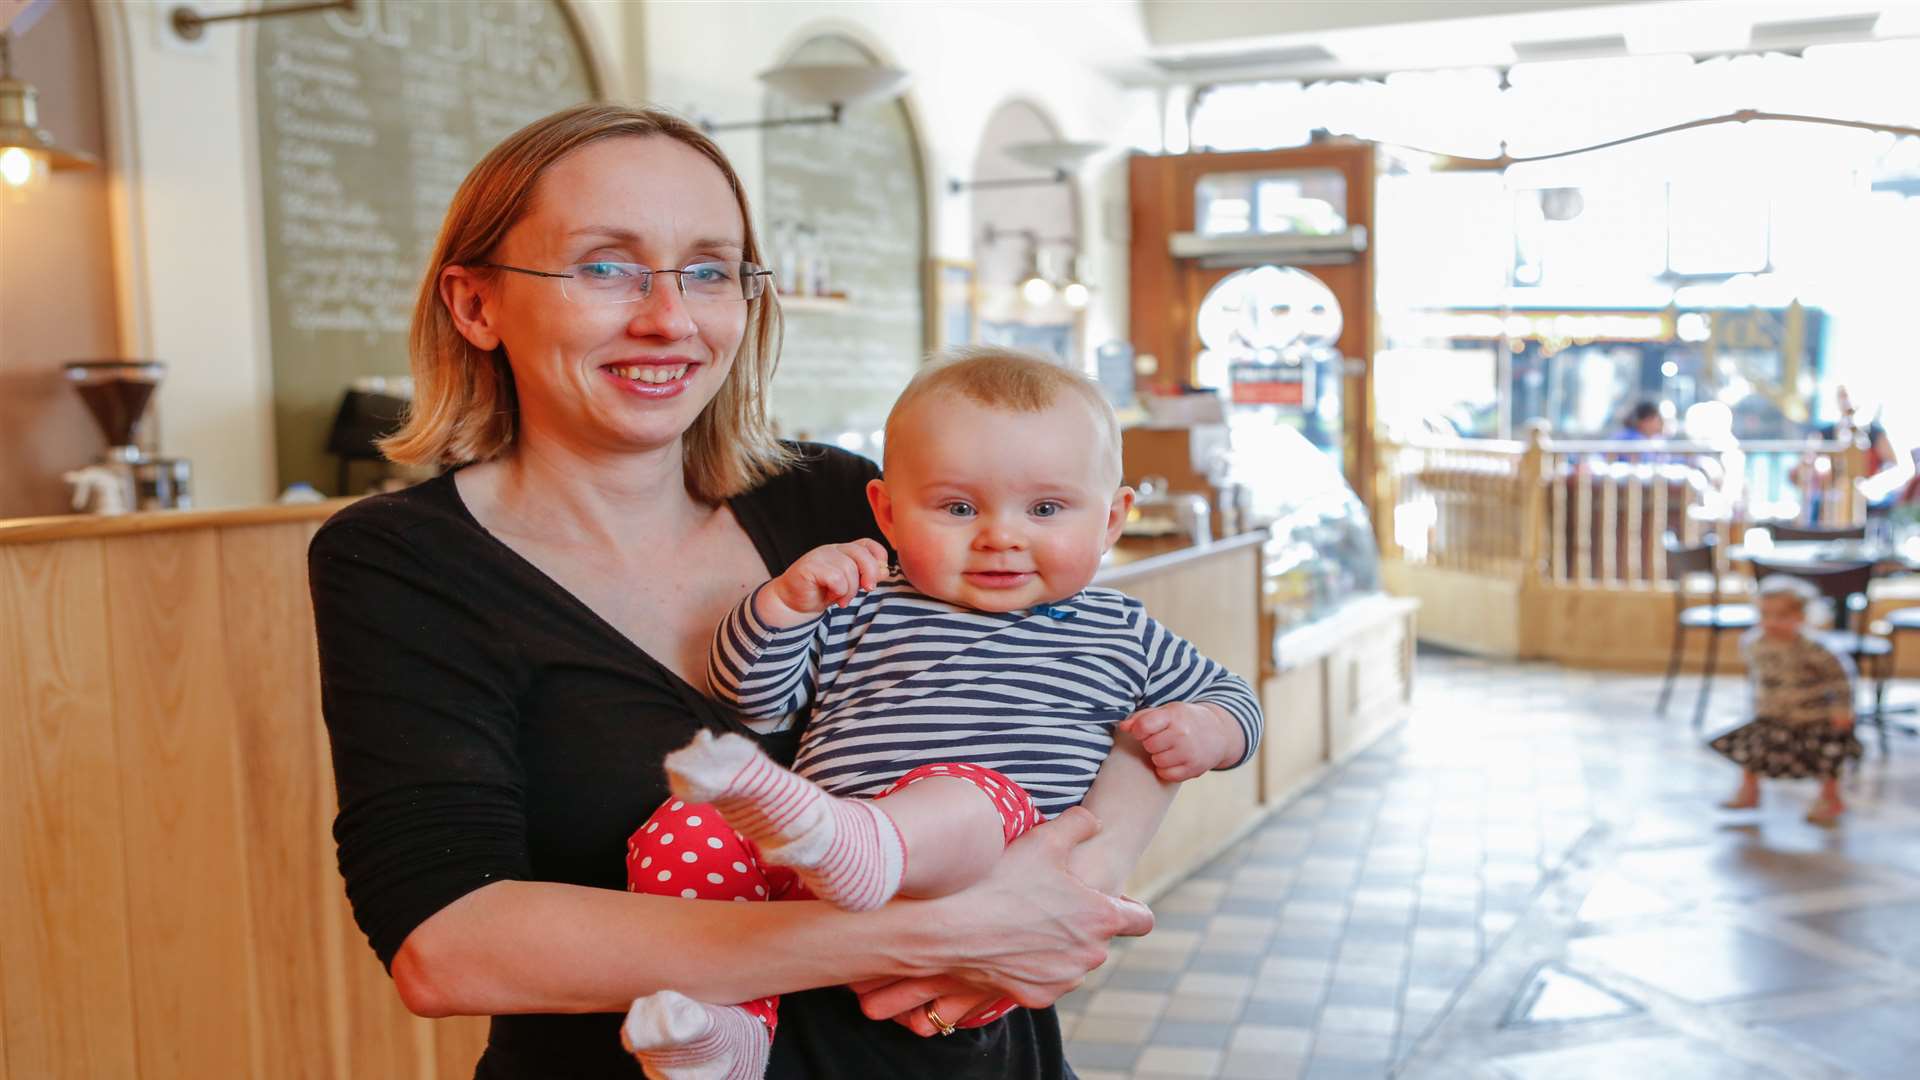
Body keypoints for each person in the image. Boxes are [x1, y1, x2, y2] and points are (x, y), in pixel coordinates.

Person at [307, 104, 1152, 1080]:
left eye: (709, 269)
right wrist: (933, 935)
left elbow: (1120, 692)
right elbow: (449, 945)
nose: (670, 318)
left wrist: (1071, 896)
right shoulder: (403, 562)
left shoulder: (838, 500)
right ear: (475, 304)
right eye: (604, 265)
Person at [619, 352, 1263, 1078]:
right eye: (959, 509)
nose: (1000, 536)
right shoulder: (860, 604)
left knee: (967, 790)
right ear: (888, 513)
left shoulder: (1120, 629)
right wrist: (782, 607)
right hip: (814, 889)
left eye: (1045, 509)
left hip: (995, 897)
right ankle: (727, 1035)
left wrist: (1210, 729)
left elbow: (1233, 696)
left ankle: (868, 842)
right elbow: (755, 699)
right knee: (686, 827)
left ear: (1112, 517)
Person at [1708, 576, 1862, 825]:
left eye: (1781, 616)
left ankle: (1831, 798)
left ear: (1802, 616)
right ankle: (1749, 792)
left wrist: (1843, 709)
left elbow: (1841, 679)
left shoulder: (1815, 647)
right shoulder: (1753, 643)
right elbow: (1758, 679)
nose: (1771, 622)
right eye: (1765, 614)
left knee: (1824, 758)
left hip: (1813, 717)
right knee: (1754, 752)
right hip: (1771, 715)